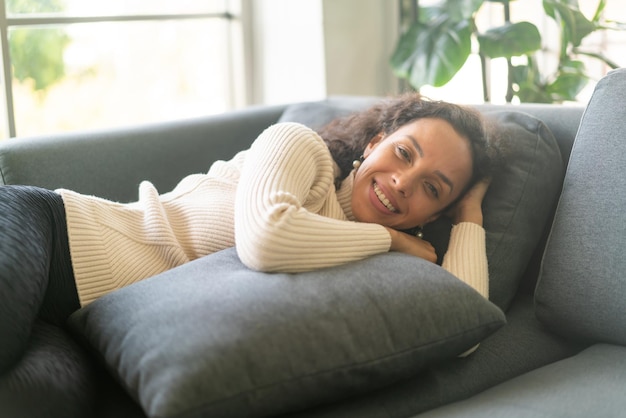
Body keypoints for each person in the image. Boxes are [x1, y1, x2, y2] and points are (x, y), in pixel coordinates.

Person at [0, 93, 499, 373]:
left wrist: (469, 216)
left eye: (433, 188)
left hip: (79, 330)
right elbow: (266, 239)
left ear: (431, 213)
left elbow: (462, 328)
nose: (402, 182)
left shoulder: (366, 259)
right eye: (404, 153)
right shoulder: (300, 148)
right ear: (373, 144)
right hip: (50, 232)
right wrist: (392, 240)